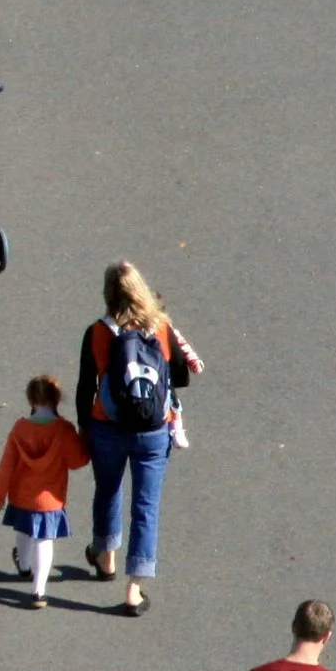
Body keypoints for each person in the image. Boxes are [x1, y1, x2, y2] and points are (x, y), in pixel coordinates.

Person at [73, 259, 201, 614]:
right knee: (145, 506)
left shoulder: (98, 332)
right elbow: (181, 376)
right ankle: (134, 589)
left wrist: (85, 426)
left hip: (107, 427)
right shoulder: (160, 327)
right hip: (153, 429)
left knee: (108, 489)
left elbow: (86, 387)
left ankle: (105, 556)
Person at [0, 374, 87, 606]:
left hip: (21, 496)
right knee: (44, 540)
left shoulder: (20, 428)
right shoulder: (63, 429)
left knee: (22, 531)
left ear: (31, 401)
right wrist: (85, 441)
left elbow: (6, 465)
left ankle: (23, 565)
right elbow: (77, 461)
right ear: (57, 400)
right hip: (50, 499)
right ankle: (38, 591)